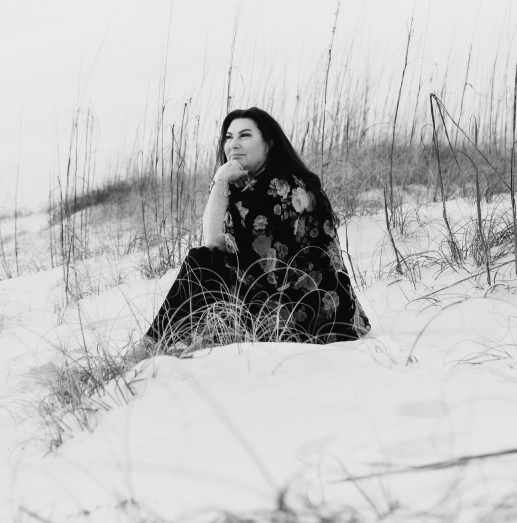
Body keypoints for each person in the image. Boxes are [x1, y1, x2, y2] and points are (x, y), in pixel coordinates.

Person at [126, 107, 371, 361]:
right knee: (208, 265)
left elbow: (212, 241)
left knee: (202, 262)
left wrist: (220, 178)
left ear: (269, 143)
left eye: (244, 136)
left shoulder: (277, 187)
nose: (234, 145)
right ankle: (160, 343)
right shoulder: (271, 180)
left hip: (304, 319)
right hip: (320, 312)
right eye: (229, 137)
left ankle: (151, 346)